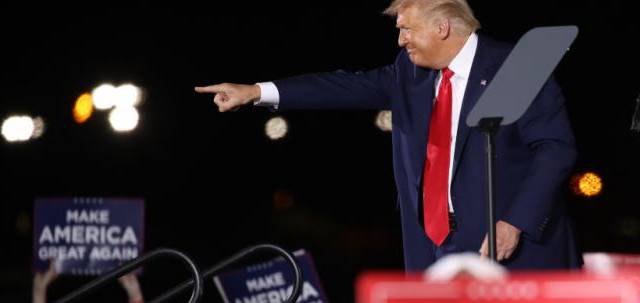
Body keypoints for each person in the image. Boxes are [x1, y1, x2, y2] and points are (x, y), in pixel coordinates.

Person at [196, 0, 581, 271]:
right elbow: (340, 88)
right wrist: (256, 92)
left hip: (508, 248)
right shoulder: (409, 73)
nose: (401, 41)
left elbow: (555, 149)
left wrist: (514, 222)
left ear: (442, 27)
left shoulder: (516, 64)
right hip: (434, 247)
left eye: (407, 29)